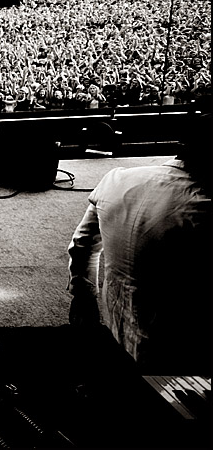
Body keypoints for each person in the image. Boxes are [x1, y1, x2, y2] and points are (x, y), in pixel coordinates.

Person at [67, 113, 211, 374]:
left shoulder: (116, 178)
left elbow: (82, 246)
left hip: (116, 325)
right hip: (181, 353)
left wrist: (85, 294)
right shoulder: (203, 209)